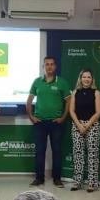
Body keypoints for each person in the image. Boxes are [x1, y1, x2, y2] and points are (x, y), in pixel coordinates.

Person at [27, 56, 71, 189]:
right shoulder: (37, 82)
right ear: (43, 67)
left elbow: (68, 101)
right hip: (40, 122)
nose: (49, 66)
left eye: (52, 64)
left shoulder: (62, 82)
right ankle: (39, 178)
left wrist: (63, 117)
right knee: (40, 151)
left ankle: (57, 178)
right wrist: (31, 116)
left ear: (55, 66)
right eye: (47, 64)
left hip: (56, 123)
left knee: (57, 151)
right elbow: (29, 101)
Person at [68, 69, 100, 192]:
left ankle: (92, 183)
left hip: (92, 125)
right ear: (80, 79)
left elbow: (99, 112)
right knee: (78, 154)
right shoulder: (75, 93)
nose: (86, 79)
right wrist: (79, 125)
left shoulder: (96, 93)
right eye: (84, 77)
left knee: (92, 155)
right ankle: (77, 182)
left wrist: (87, 125)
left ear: (92, 79)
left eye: (89, 77)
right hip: (77, 125)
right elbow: (71, 110)